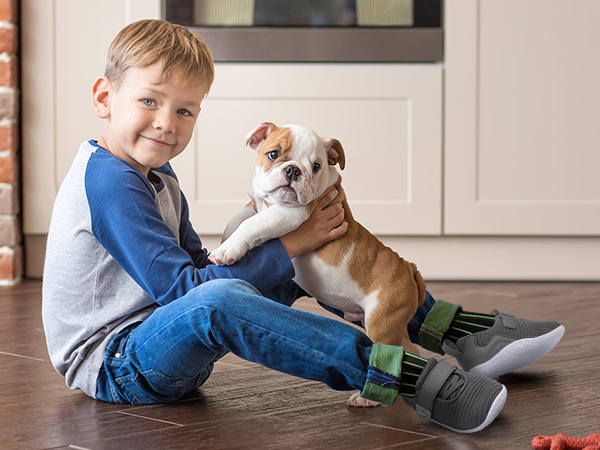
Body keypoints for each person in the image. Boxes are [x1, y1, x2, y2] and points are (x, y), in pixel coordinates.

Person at [42, 19, 564, 434]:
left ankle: (456, 331)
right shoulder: (109, 182)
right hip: (118, 365)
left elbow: (196, 265)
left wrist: (284, 238)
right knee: (224, 297)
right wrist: (289, 238)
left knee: (317, 265)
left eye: (185, 111)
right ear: (104, 97)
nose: (166, 123)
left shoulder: (155, 172)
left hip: (167, 341)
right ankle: (402, 373)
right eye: (149, 101)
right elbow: (186, 291)